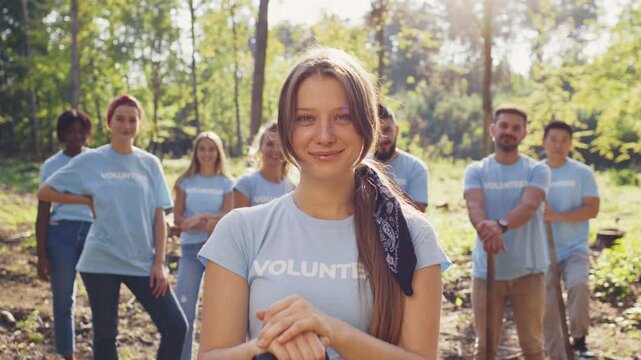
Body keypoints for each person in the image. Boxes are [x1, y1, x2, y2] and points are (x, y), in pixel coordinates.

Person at [196, 47, 450, 360]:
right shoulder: (239, 231)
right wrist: (263, 346)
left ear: (368, 125)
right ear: (285, 129)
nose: (324, 135)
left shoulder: (411, 235)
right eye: (306, 118)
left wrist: (334, 331)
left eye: (343, 117)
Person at [37, 94, 187, 360]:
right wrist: (84, 199)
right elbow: (45, 191)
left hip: (142, 262)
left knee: (176, 326)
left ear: (139, 124)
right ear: (109, 122)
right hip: (101, 260)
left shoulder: (149, 163)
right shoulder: (90, 161)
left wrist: (159, 263)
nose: (126, 125)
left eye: (132, 120)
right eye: (120, 119)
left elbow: (158, 216)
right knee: (106, 337)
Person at [463, 105, 551, 360]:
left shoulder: (537, 169)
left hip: (529, 273)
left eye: (516, 128)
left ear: (524, 134)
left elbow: (530, 205)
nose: (508, 132)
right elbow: (474, 205)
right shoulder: (477, 170)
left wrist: (499, 225)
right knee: (486, 347)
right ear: (493, 129)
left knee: (532, 345)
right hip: (487, 272)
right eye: (503, 126)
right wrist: (486, 228)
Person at [35, 109, 93, 360]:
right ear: (62, 134)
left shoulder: (96, 160)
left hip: (93, 232)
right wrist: (41, 253)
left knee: (101, 297)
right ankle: (67, 355)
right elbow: (43, 210)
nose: (76, 136)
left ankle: (102, 351)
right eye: (71, 131)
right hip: (61, 234)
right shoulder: (51, 166)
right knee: (63, 299)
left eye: (81, 131)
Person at [541, 121, 600, 359]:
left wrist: (557, 216)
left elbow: (592, 209)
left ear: (571, 143)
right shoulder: (535, 172)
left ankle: (580, 340)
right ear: (544, 142)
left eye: (564, 140)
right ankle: (556, 351)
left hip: (575, 248)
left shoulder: (582, 173)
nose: (558, 145)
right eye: (553, 139)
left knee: (578, 284)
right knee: (549, 302)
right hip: (543, 251)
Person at [173, 131, 233, 360]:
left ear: (218, 153)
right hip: (190, 252)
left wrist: (199, 218)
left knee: (217, 313)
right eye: (202, 149)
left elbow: (228, 216)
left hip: (218, 253)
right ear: (195, 153)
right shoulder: (185, 181)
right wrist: (207, 223)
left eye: (211, 149)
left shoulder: (226, 183)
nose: (206, 154)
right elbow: (178, 219)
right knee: (184, 310)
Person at [374, 104, 429, 212]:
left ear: (397, 130)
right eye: (376, 131)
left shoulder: (416, 168)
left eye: (387, 130)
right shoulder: (358, 166)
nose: (382, 137)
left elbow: (418, 213)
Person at [232, 121, 294, 208]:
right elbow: (238, 221)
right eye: (270, 144)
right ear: (260, 148)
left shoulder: (292, 187)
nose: (276, 150)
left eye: (281, 145)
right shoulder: (245, 184)